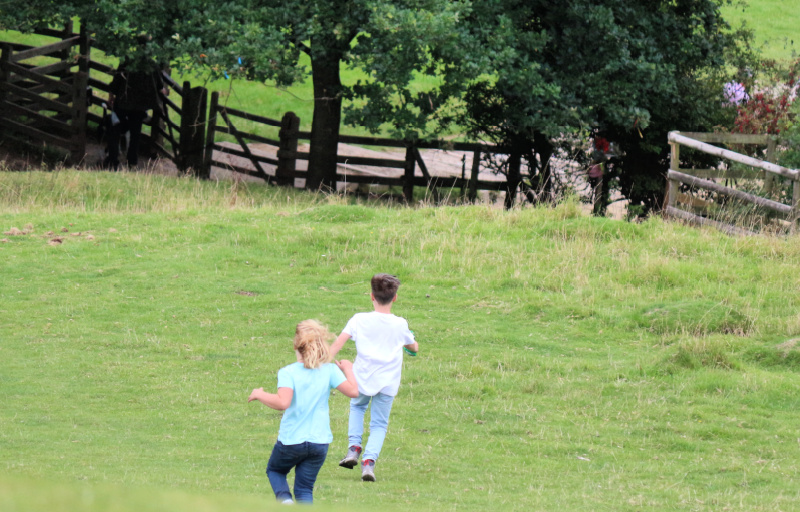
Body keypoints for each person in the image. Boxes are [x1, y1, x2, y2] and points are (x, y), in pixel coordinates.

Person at [248, 320, 359, 504]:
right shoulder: (330, 370)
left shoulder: (288, 372)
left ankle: (285, 503)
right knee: (304, 489)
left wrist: (260, 394)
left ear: (296, 345)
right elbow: (354, 392)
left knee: (275, 471)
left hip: (292, 439)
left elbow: (283, 402)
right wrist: (349, 369)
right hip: (319, 442)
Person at [329, 273, 419, 482]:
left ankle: (354, 448)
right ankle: (368, 463)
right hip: (388, 383)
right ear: (395, 298)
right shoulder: (400, 324)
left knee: (357, 407)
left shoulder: (359, 319)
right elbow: (412, 347)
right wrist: (412, 343)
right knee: (379, 424)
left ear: (371, 296)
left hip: (360, 378)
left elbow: (338, 343)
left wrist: (324, 361)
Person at [103, 56, 166, 170]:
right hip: (139, 106)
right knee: (135, 134)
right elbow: (161, 87)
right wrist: (166, 92)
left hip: (123, 103)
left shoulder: (127, 62)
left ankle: (113, 160)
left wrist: (111, 97)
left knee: (115, 130)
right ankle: (132, 162)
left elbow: (116, 81)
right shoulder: (152, 65)